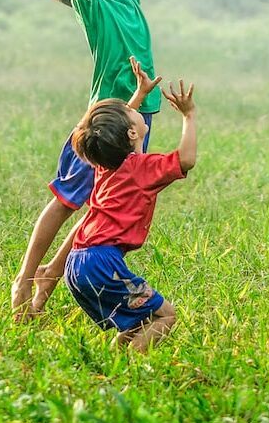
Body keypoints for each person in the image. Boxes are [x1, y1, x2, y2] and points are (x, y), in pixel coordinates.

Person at [11, 0, 210, 317]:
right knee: (66, 201)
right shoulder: (92, 7)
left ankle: (45, 291)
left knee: (101, 208)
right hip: (104, 119)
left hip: (140, 115)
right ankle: (25, 280)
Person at [60, 77, 198, 351]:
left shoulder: (105, 164)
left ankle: (116, 359)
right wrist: (189, 115)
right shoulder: (142, 169)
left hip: (76, 263)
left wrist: (139, 93)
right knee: (166, 315)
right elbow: (186, 159)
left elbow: (112, 132)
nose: (133, 108)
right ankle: (133, 366)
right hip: (103, 265)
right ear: (131, 134)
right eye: (132, 110)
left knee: (139, 319)